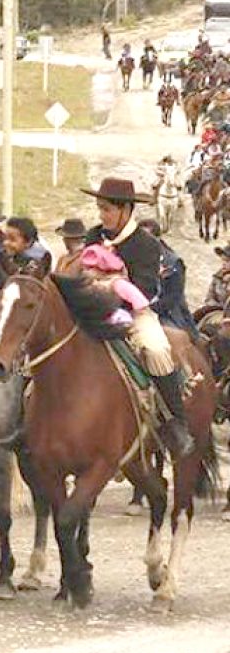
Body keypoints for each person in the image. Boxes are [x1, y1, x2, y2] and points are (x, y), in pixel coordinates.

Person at [82, 177, 193, 457]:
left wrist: (110, 290)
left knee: (156, 350)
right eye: (100, 208)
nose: (101, 215)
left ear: (126, 209)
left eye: (107, 209)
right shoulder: (93, 235)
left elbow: (145, 288)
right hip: (94, 309)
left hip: (133, 313)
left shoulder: (146, 244)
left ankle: (175, 423)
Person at [137, 218, 198, 338]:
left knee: (171, 338)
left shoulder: (173, 263)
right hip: (137, 310)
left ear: (157, 239)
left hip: (167, 313)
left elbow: (173, 297)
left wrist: (150, 309)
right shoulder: (133, 258)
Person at [80, 244, 151, 327]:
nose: (85, 272)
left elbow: (140, 304)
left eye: (90, 268)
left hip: (130, 321)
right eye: (85, 268)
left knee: (145, 337)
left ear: (101, 268)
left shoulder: (118, 283)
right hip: (101, 323)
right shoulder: (88, 285)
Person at [203, 243, 230, 312]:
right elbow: (209, 297)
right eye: (223, 260)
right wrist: (215, 307)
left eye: (227, 261)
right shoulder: (218, 276)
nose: (223, 263)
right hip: (216, 310)